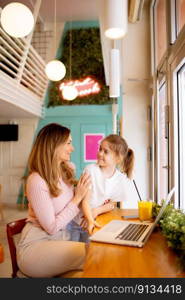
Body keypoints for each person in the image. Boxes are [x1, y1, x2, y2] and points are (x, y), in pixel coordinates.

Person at [16, 123, 91, 278]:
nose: (72, 148)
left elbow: (69, 210)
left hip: (59, 241)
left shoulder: (65, 171)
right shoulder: (36, 181)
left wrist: (88, 212)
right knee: (94, 255)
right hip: (36, 246)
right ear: (53, 145)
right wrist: (77, 198)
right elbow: (51, 227)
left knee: (88, 274)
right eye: (68, 143)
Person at [67, 134, 135, 241]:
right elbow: (85, 201)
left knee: (88, 253)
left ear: (118, 158)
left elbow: (112, 204)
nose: (100, 153)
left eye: (105, 151)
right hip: (76, 220)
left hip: (93, 220)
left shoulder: (120, 179)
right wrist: (89, 218)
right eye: (100, 149)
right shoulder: (90, 170)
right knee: (72, 252)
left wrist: (95, 212)